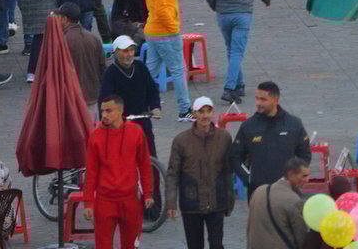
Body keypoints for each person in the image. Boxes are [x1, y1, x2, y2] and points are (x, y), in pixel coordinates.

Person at [86, 95, 155, 249]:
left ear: (120, 111)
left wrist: (148, 193)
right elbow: (91, 172)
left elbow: (145, 164)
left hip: (130, 200)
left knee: (130, 245)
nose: (104, 115)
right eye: (102, 111)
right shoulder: (95, 137)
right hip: (104, 201)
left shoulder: (136, 132)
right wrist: (88, 203)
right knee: (102, 245)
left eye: (109, 110)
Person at [167, 95, 233, 249]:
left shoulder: (224, 138)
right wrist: (171, 203)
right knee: (195, 245)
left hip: (216, 201)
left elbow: (228, 171)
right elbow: (173, 173)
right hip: (191, 204)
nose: (205, 115)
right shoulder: (181, 140)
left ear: (213, 112)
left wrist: (229, 201)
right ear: (194, 114)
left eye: (208, 111)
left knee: (217, 244)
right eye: (201, 111)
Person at [230, 81, 311, 197]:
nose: (258, 103)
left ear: (276, 100)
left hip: (287, 192)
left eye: (263, 99)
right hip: (258, 193)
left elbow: (305, 155)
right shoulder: (248, 126)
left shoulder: (294, 124)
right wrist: (248, 179)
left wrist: (295, 177)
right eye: (256, 98)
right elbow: (235, 156)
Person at [144, 0, 191, 120]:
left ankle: (136, 101)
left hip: (155, 31)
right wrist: (174, 28)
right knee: (179, 70)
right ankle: (184, 110)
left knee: (150, 71)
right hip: (165, 32)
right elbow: (161, 9)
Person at [245, 157, 310, 249]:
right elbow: (301, 237)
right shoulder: (294, 200)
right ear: (291, 175)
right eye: (304, 176)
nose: (307, 180)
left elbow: (249, 226)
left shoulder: (259, 191)